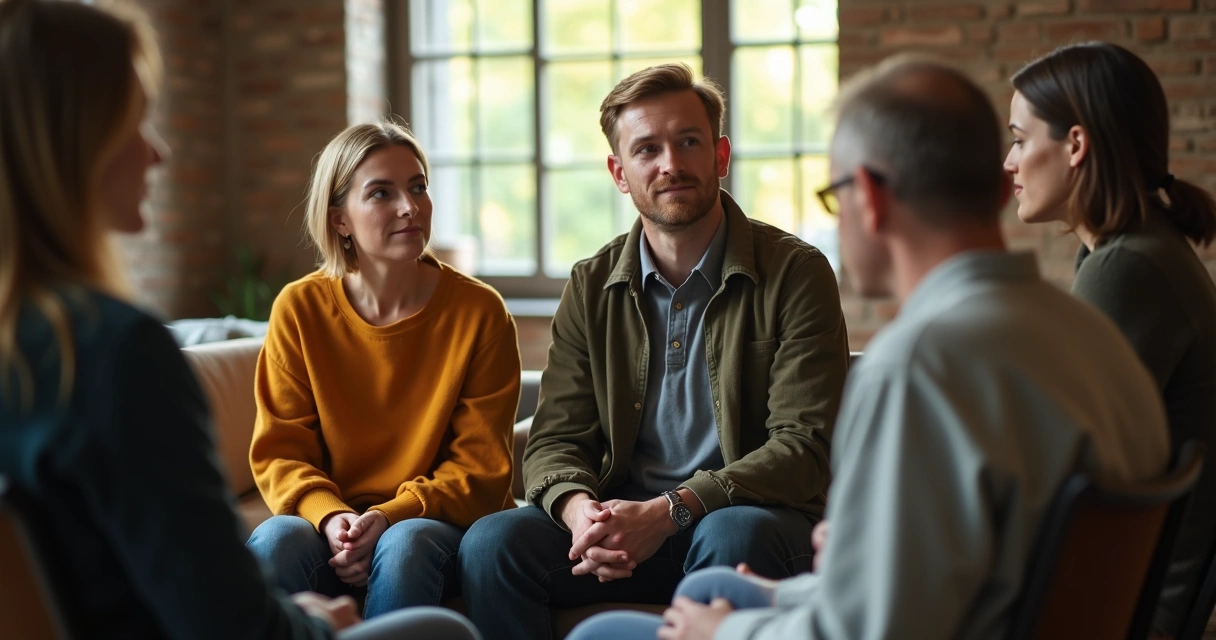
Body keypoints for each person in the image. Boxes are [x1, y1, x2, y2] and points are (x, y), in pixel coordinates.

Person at [566, 53, 1171, 640]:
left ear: (870, 199)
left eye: (834, 196)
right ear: (995, 188)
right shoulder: (1092, 333)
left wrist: (730, 631)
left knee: (602, 634)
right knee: (711, 587)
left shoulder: (916, 364)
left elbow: (875, 627)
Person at [0, 1, 480, 638]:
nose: (158, 153)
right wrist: (315, 620)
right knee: (445, 632)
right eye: (134, 123)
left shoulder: (33, 343)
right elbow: (225, 619)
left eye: (418, 186)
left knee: (405, 546)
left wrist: (382, 524)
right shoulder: (118, 353)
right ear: (73, 145)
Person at [458, 63, 850, 640]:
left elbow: (803, 446)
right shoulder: (590, 284)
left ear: (720, 155)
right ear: (620, 172)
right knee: (492, 542)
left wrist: (671, 510)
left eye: (688, 142)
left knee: (733, 533)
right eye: (647, 149)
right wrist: (581, 514)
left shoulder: (796, 272)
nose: (671, 164)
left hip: (743, 520)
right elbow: (555, 438)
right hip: (622, 525)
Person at [246, 120, 522, 617]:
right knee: (274, 540)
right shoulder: (299, 308)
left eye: (418, 187)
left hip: (434, 524)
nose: (410, 206)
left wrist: (389, 515)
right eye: (382, 193)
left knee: (404, 544)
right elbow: (280, 452)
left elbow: (480, 469)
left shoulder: (480, 311)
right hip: (336, 525)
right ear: (339, 220)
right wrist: (331, 517)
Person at [1006, 42, 1216, 638]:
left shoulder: (1130, 267)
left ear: (1075, 145)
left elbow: (1053, 462)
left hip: (1119, 605)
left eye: (1020, 140)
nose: (1009, 163)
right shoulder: (1134, 249)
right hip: (1116, 586)